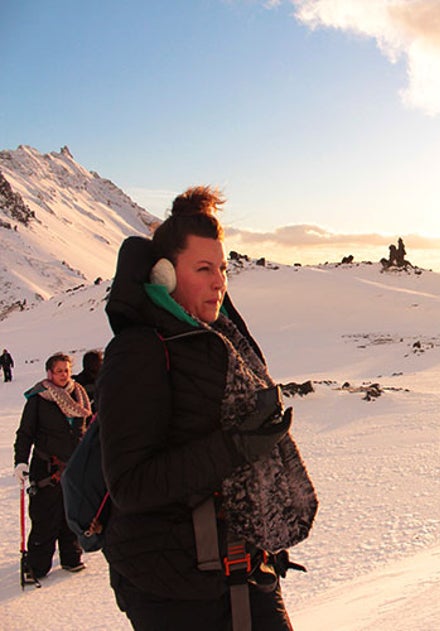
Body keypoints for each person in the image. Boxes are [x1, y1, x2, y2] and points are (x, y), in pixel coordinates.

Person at [98, 186, 317, 630]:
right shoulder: (138, 351)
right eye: (203, 268)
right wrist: (237, 447)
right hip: (174, 588)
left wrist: (263, 525)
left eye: (223, 268)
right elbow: (130, 485)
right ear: (164, 275)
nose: (219, 280)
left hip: (244, 569)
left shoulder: (224, 343)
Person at [13, 352, 91, 581]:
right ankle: (37, 565)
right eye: (59, 371)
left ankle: (71, 557)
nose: (63, 375)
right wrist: (20, 461)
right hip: (46, 468)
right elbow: (25, 433)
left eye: (66, 370)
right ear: (49, 373)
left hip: (75, 467)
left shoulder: (80, 397)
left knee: (72, 514)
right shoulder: (39, 400)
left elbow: (88, 431)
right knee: (45, 517)